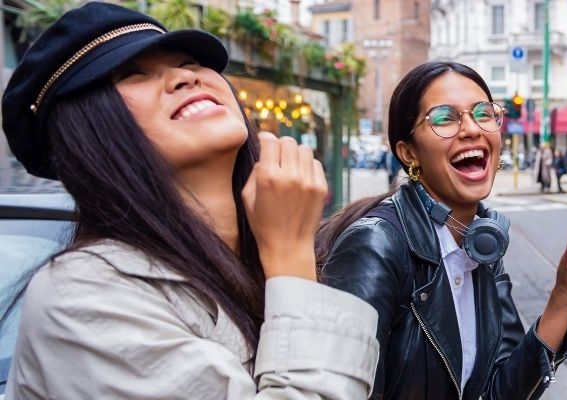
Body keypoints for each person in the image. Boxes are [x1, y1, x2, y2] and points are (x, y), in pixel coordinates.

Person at [0, 3, 379, 398]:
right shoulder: (81, 293)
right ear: (89, 134)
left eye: (188, 61)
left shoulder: (255, 262)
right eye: (133, 74)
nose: (184, 77)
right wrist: (290, 254)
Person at [314, 62, 567, 399]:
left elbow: (501, 392)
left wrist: (564, 298)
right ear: (409, 153)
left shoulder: (482, 244)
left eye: (483, 113)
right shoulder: (376, 245)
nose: (472, 128)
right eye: (444, 118)